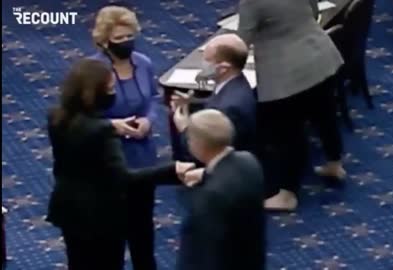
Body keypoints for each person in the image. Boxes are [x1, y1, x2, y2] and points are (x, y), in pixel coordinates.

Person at [46, 59, 195, 270]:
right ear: (95, 93)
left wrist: (110, 124)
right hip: (100, 216)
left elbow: (84, 129)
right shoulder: (103, 134)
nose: (113, 92)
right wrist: (172, 170)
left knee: (78, 263)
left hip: (70, 208)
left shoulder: (56, 117)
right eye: (110, 88)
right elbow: (123, 178)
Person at [237, 0, 347, 210]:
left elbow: (242, 42)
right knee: (325, 114)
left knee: (288, 132)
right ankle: (334, 164)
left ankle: (288, 193)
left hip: (286, 71)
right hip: (319, 54)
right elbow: (314, 11)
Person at [90, 6, 161, 269]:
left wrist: (148, 120)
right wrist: (113, 125)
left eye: (129, 37)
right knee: (113, 233)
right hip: (110, 157)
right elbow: (83, 118)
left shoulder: (143, 63)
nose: (125, 43)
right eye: (118, 39)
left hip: (143, 154)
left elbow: (153, 99)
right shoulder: (94, 70)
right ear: (105, 41)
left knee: (143, 227)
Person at [176, 109, 265, 270]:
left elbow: (205, 254)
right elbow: (232, 177)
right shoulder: (249, 161)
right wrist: (206, 174)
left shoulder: (209, 197)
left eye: (189, 139)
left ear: (199, 144)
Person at [172, 33, 257, 158]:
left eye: (206, 60)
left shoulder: (229, 108)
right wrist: (191, 103)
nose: (201, 63)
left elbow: (208, 152)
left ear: (223, 68)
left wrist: (184, 129)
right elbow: (215, 101)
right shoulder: (235, 82)